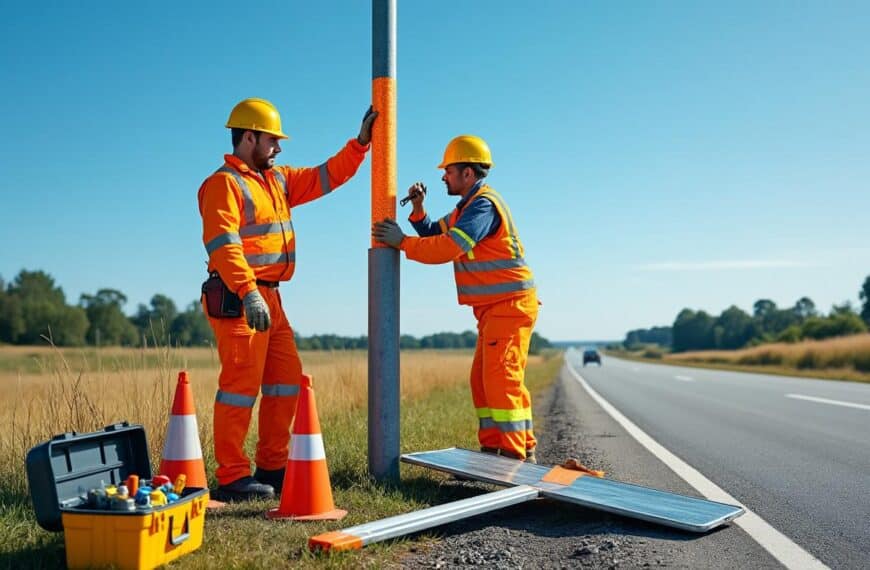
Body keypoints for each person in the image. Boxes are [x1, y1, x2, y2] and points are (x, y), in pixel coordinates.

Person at [198, 97, 377, 501]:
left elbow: (325, 177)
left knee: (285, 383)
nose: (278, 149)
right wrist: (248, 293)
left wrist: (360, 143)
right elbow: (223, 245)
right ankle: (231, 477)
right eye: (272, 141)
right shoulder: (224, 184)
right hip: (240, 298)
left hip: (272, 299)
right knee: (239, 388)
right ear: (249, 138)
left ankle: (272, 467)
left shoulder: (275, 181)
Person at [372, 135, 539, 463]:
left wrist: (401, 243)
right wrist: (418, 211)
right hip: (495, 309)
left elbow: (450, 247)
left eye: (448, 170)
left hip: (509, 306)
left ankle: (518, 457)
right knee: (482, 381)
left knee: (501, 379)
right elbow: (436, 233)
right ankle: (494, 451)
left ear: (468, 173)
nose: (443, 176)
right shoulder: (467, 208)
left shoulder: (483, 206)